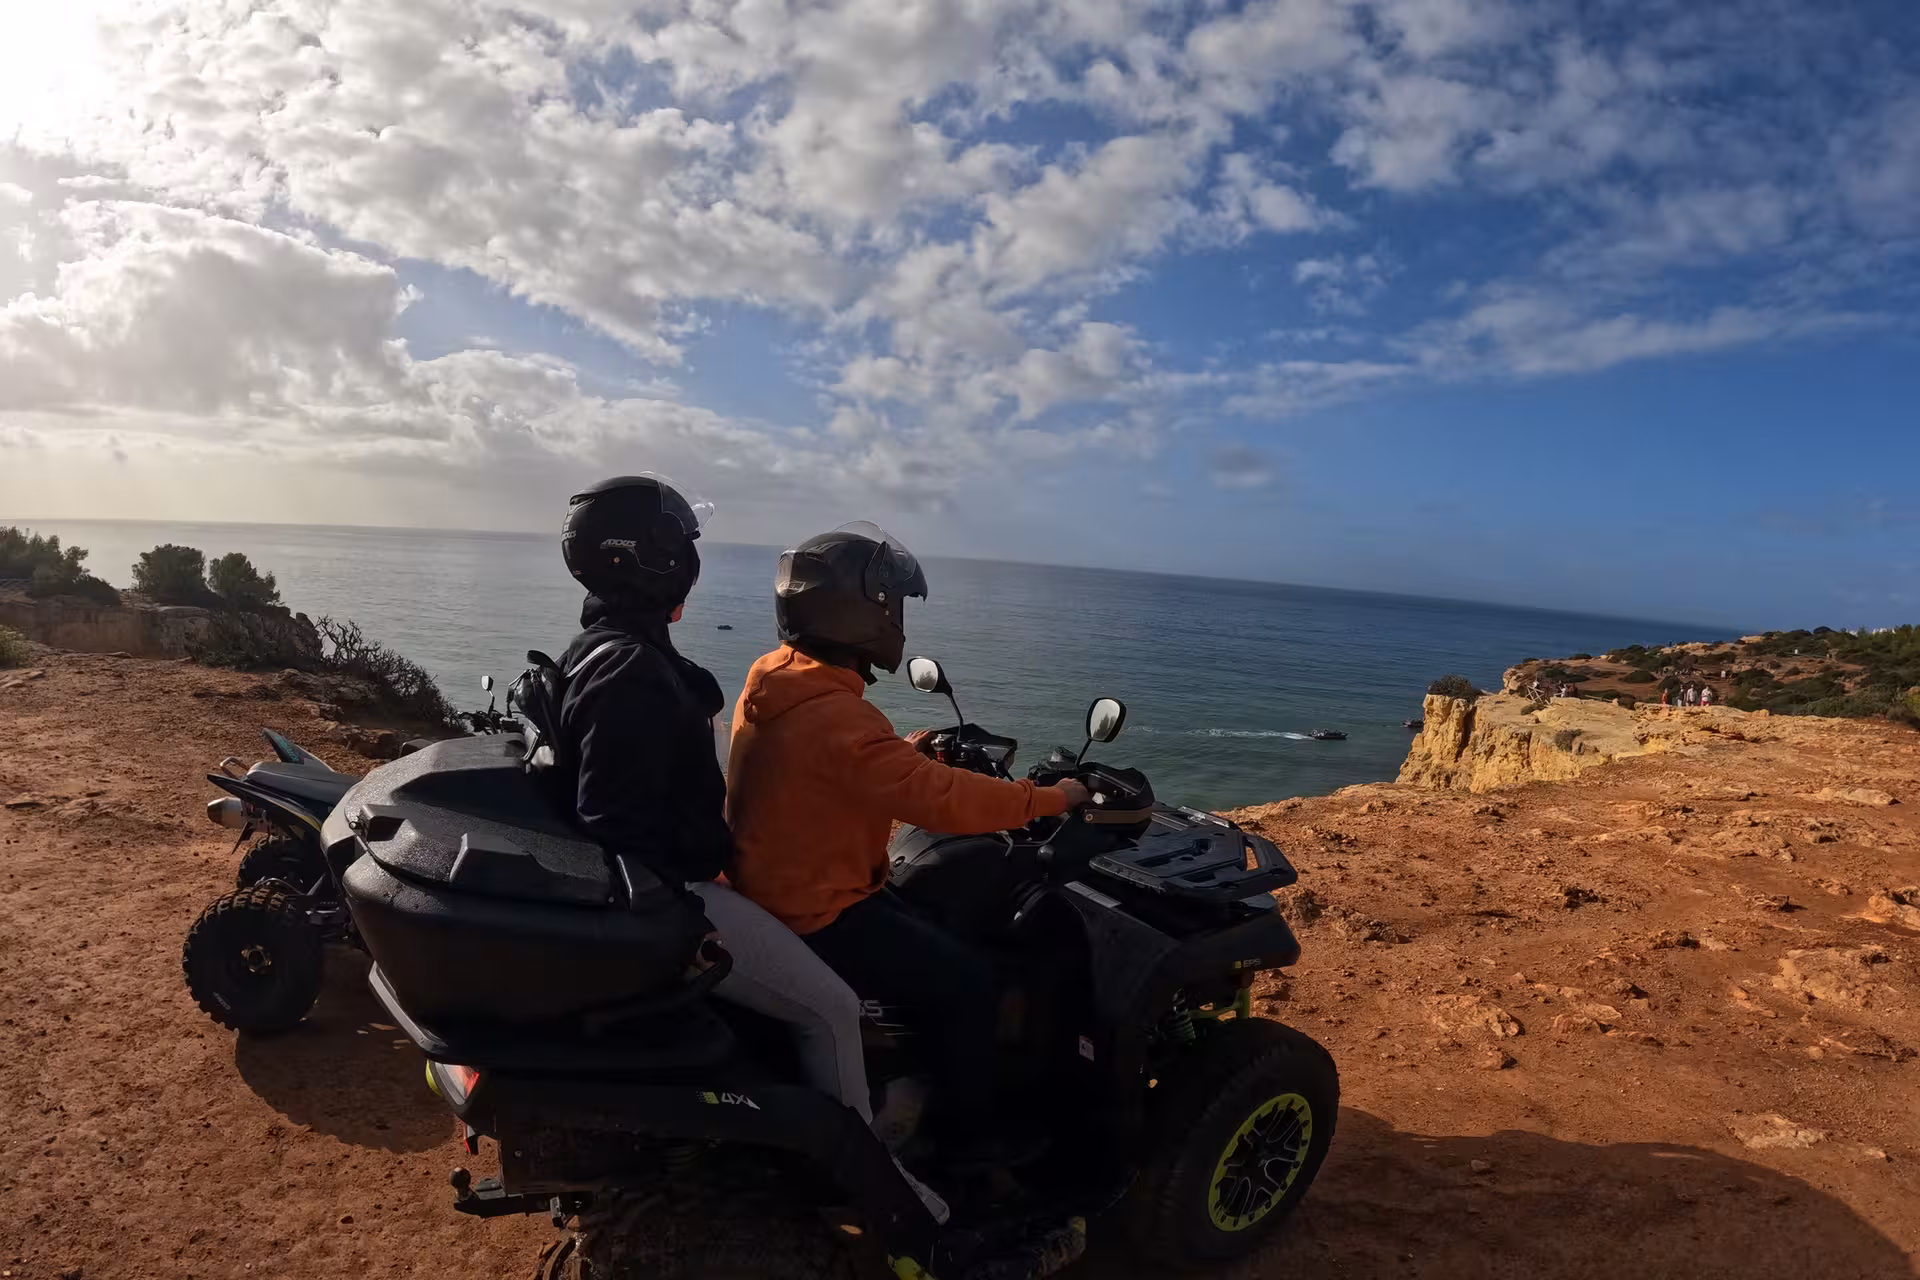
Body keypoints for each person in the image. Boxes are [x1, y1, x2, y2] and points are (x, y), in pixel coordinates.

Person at [725, 522, 1090, 1154]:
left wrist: (901, 751)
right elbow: (945, 801)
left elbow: (833, 765)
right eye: (889, 605)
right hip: (819, 909)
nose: (896, 619)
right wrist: (1052, 797)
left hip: (773, 883)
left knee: (926, 925)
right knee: (971, 985)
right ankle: (968, 1144)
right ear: (857, 613)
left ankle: (904, 1070)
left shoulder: (776, 676)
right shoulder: (839, 714)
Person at [554, 477, 877, 1131]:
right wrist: (690, 926)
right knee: (832, 1011)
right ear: (647, 557)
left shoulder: (600, 647)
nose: (691, 561)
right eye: (678, 542)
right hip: (672, 900)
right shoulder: (632, 673)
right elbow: (615, 824)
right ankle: (882, 1186)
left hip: (667, 888)